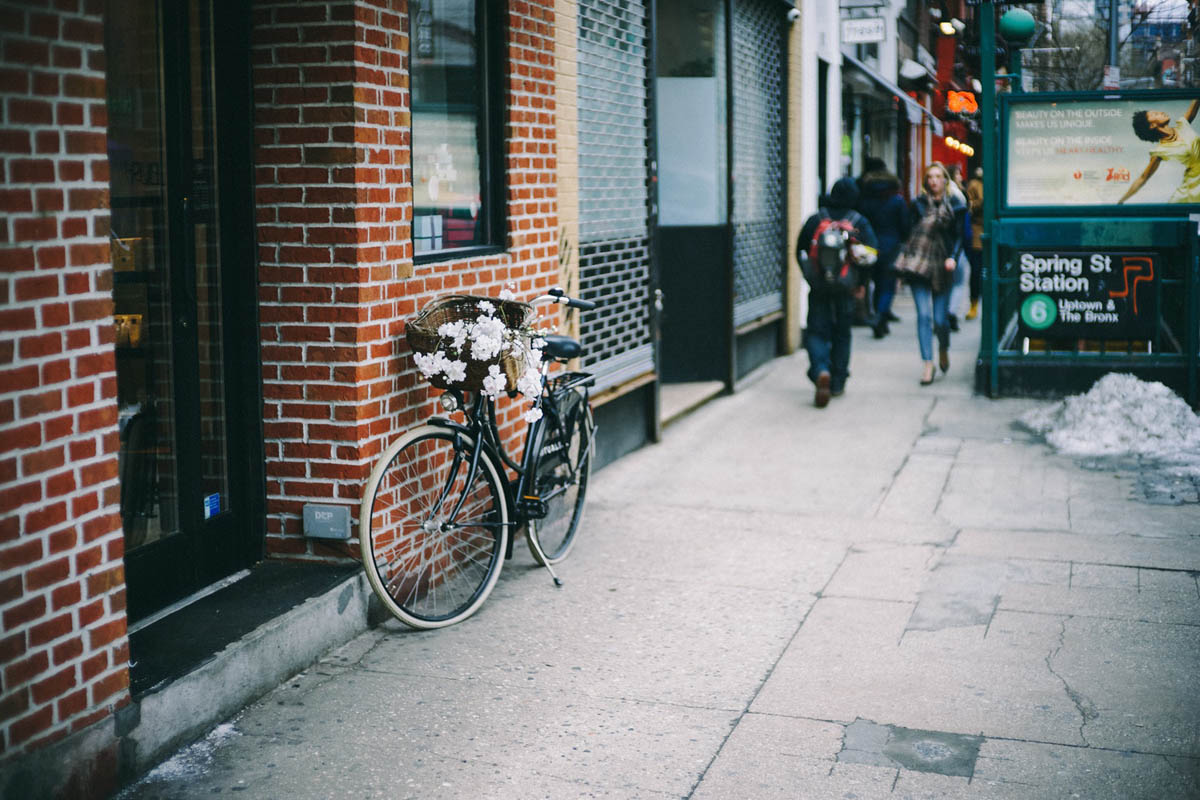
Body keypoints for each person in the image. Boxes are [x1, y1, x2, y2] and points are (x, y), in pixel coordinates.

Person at [798, 176, 878, 407]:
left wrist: (810, 276)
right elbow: (870, 256)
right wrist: (862, 283)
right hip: (846, 286)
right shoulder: (858, 221)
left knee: (816, 331)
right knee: (842, 332)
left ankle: (821, 370)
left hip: (819, 285)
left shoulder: (816, 219)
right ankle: (837, 381)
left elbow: (799, 249)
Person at [897, 162, 966, 386]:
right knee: (924, 316)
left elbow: (959, 236)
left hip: (943, 265)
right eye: (930, 177)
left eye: (938, 176)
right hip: (919, 264)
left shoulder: (956, 204)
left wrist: (953, 258)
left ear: (945, 180)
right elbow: (907, 233)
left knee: (939, 319)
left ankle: (943, 347)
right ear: (926, 181)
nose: (934, 180)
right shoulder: (917, 205)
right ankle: (928, 363)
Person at [856, 157, 910, 339]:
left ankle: (879, 316)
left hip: (869, 245)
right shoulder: (897, 200)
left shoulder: (864, 198)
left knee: (875, 282)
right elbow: (905, 225)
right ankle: (880, 315)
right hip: (891, 246)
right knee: (887, 285)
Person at [1118, 98, 1200, 204]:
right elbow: (1143, 178)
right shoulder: (1160, 151)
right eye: (1156, 114)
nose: (1161, 112)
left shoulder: (1183, 125)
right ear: (1152, 125)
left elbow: (1196, 98)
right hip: (1192, 188)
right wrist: (1121, 202)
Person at [965, 168, 984, 321]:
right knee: (976, 271)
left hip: (989, 230)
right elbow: (970, 206)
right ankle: (974, 304)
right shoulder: (974, 184)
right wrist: (982, 201)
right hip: (977, 234)